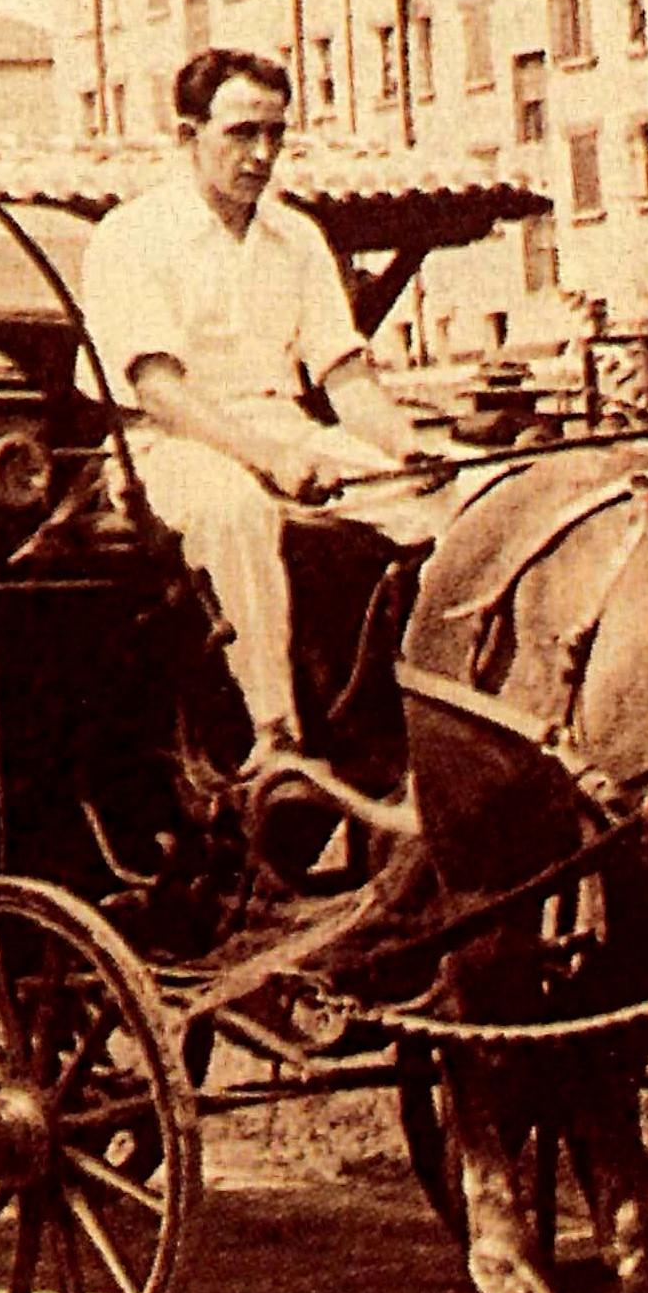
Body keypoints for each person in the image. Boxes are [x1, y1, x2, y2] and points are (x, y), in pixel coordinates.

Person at [68, 48, 451, 770]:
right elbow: (159, 390)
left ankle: (426, 715)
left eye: (276, 134)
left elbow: (344, 378)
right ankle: (276, 737)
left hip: (286, 429)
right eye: (243, 133)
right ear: (188, 136)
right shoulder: (131, 235)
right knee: (233, 512)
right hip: (166, 447)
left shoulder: (296, 237)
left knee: (447, 504)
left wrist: (407, 448)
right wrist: (269, 457)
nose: (263, 153)